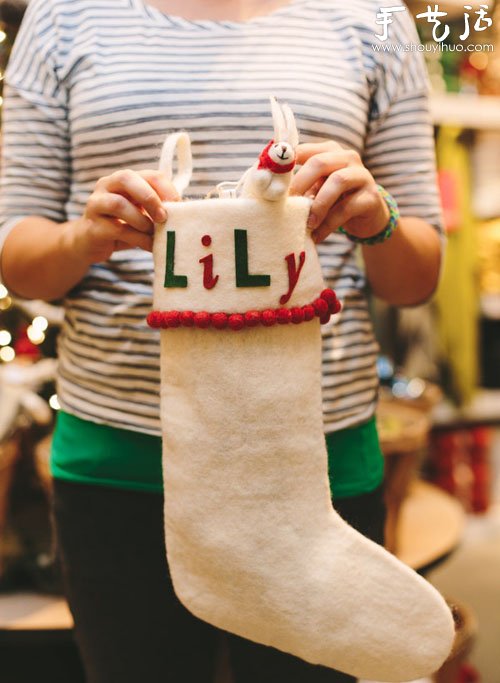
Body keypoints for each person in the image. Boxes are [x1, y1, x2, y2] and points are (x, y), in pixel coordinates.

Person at [0, 0, 443, 681]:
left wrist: (376, 218)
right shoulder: (66, 16)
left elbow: (416, 277)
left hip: (312, 466)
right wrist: (84, 238)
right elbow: (16, 252)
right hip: (120, 460)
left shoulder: (372, 17)